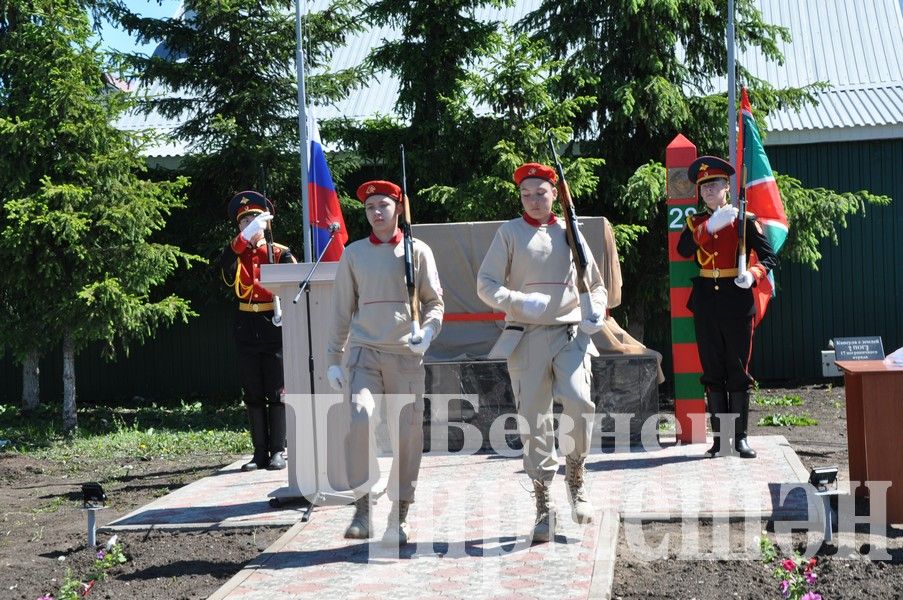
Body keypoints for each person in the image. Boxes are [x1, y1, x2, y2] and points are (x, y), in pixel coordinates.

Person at [476, 163, 607, 543]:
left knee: (580, 402)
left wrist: (595, 308)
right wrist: (516, 301)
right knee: (535, 420)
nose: (534, 200)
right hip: (526, 336)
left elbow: (595, 283)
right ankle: (543, 501)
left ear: (555, 194)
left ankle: (576, 473)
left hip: (570, 334)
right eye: (526, 194)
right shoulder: (509, 234)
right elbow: (486, 284)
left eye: (541, 193)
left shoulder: (571, 231)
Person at [325, 180, 444, 546]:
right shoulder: (354, 253)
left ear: (398, 209)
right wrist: (334, 358)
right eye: (370, 207)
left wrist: (426, 333)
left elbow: (434, 303)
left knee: (407, 434)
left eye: (383, 206)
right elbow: (341, 309)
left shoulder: (418, 251)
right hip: (364, 353)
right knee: (359, 417)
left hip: (405, 356)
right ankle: (362, 507)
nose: (376, 212)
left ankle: (401, 512)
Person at [676, 156, 777, 459]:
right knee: (712, 370)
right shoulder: (695, 223)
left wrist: (754, 274)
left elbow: (770, 257)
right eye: (704, 186)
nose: (708, 190)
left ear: (727, 189)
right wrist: (708, 227)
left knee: (738, 369)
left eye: (715, 184)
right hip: (707, 303)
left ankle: (741, 437)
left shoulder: (745, 219)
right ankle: (720, 440)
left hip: (737, 300)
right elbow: (682, 250)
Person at [216, 191, 296, 472]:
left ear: (265, 223)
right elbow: (223, 272)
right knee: (252, 391)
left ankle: (278, 450)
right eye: (243, 222)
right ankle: (259, 452)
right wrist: (240, 242)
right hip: (246, 325)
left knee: (276, 390)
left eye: (254, 219)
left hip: (272, 324)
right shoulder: (236, 253)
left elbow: (294, 289)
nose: (248, 224)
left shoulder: (278, 252)